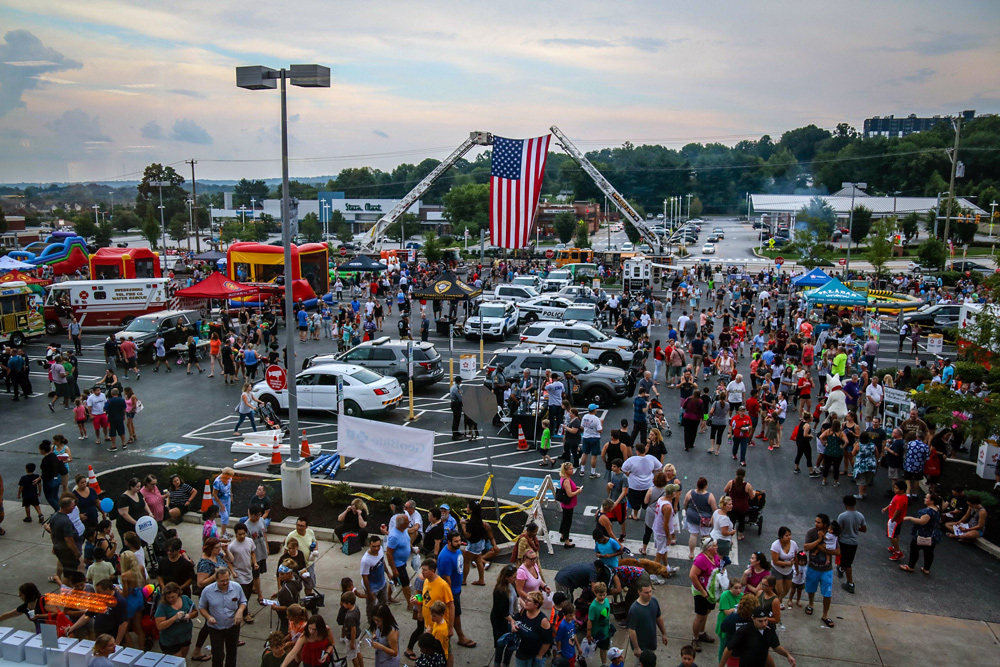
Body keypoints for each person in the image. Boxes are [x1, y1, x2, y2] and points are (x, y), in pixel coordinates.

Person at [199, 567, 247, 667]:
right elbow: (202, 608)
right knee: (217, 655)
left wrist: (240, 610)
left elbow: (243, 601)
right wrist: (208, 617)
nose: (225, 583)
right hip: (215, 628)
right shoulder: (207, 591)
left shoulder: (236, 587)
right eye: (222, 581)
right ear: (216, 579)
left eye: (227, 580)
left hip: (232, 626)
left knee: (232, 652)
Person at [718, 608, 797, 667]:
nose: (764, 624)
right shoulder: (744, 631)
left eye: (765, 620)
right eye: (760, 621)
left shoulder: (769, 628)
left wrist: (787, 655)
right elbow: (729, 648)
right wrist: (721, 665)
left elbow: (776, 646)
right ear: (753, 619)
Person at [803, 513, 838, 629]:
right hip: (813, 567)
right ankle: (811, 604)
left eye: (819, 522)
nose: (816, 524)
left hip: (826, 570)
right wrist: (818, 540)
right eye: (815, 521)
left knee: (827, 593)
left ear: (825, 524)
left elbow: (837, 552)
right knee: (811, 589)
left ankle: (825, 615)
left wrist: (820, 548)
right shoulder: (811, 532)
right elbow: (806, 547)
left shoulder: (832, 534)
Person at [688, 537, 720, 653]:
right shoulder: (701, 559)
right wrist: (702, 591)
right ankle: (695, 638)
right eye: (715, 546)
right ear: (709, 548)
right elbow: (692, 575)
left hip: (710, 591)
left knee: (706, 612)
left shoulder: (714, 556)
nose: (717, 547)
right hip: (702, 592)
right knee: (700, 616)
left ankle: (701, 633)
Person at [901, 493, 943, 574]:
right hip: (933, 535)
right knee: (929, 552)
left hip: (923, 534)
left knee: (914, 550)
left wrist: (910, 518)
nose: (924, 499)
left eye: (927, 498)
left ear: (932, 501)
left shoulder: (927, 511)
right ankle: (926, 568)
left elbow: (922, 522)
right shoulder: (937, 509)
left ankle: (911, 566)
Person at [155, 582, 199, 657]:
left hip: (185, 637)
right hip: (170, 641)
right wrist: (174, 618)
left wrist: (189, 615)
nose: (170, 599)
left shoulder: (185, 598)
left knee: (183, 658)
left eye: (173, 597)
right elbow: (159, 626)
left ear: (178, 593)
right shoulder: (163, 606)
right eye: (168, 597)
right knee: (177, 661)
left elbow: (195, 612)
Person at [626, 582, 668, 660]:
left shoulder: (654, 601)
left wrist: (664, 633)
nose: (649, 594)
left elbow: (658, 617)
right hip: (641, 647)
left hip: (651, 643)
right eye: (646, 592)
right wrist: (636, 648)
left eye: (650, 591)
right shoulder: (634, 609)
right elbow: (631, 630)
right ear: (639, 592)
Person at [509, 591, 550, 667]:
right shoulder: (524, 611)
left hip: (534, 655)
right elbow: (514, 619)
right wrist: (513, 624)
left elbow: (547, 641)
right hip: (521, 652)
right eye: (526, 599)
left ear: (536, 605)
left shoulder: (543, 621)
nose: (525, 602)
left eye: (529, 601)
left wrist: (539, 655)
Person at [836, 495, 866, 594]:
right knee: (847, 559)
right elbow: (864, 529)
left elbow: (838, 529)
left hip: (844, 541)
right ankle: (841, 568)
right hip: (854, 542)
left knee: (847, 563)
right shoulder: (860, 515)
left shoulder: (842, 516)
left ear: (844, 504)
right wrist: (855, 528)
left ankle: (850, 583)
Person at [361, 535, 390, 631]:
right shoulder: (366, 560)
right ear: (369, 545)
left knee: (383, 604)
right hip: (372, 588)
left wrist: (388, 573)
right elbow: (365, 577)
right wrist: (369, 592)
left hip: (382, 584)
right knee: (371, 608)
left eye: (378, 546)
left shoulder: (381, 550)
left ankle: (383, 621)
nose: (376, 548)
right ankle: (372, 624)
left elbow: (382, 562)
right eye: (374, 546)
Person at [683, 477, 716, 560]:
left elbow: (685, 503)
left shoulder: (690, 493)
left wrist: (687, 511)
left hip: (692, 517)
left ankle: (691, 553)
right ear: (706, 486)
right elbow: (714, 509)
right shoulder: (710, 496)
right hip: (705, 520)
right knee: (705, 536)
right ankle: (704, 553)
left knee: (693, 535)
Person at [770, 527, 798, 608]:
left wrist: (796, 568)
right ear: (781, 537)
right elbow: (775, 561)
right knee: (778, 590)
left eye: (790, 535)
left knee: (786, 589)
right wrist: (788, 563)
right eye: (786, 535)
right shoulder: (775, 545)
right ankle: (775, 602)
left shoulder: (794, 544)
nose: (789, 537)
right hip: (777, 569)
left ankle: (779, 600)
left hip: (788, 570)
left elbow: (795, 557)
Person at [723, 468, 753, 541]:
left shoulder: (731, 483)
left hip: (732, 505)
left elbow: (725, 490)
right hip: (743, 507)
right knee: (742, 520)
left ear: (736, 474)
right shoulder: (747, 485)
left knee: (731, 519)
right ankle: (740, 535)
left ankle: (730, 533)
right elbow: (752, 496)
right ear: (744, 476)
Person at [557, 462, 582, 549]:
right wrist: (577, 491)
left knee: (564, 519)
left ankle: (562, 535)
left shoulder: (564, 478)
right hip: (569, 504)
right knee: (568, 521)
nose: (572, 470)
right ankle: (567, 541)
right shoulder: (566, 481)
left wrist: (575, 488)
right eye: (570, 469)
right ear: (566, 470)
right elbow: (570, 494)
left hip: (565, 504)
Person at [882, 480, 909, 561]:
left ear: (902, 490)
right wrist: (887, 508)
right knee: (896, 534)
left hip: (894, 520)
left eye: (896, 488)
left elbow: (898, 510)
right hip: (897, 520)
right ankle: (895, 547)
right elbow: (892, 503)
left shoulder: (901, 499)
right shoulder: (898, 496)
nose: (894, 489)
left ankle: (898, 552)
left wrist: (892, 519)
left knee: (891, 536)